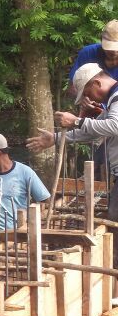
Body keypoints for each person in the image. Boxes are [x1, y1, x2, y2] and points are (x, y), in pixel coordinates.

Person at [28, 68, 118, 226]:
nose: (86, 98)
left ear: (97, 83)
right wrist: (55, 138)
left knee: (115, 222)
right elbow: (93, 131)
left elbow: (114, 126)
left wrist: (76, 121)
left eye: (86, 93)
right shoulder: (112, 102)